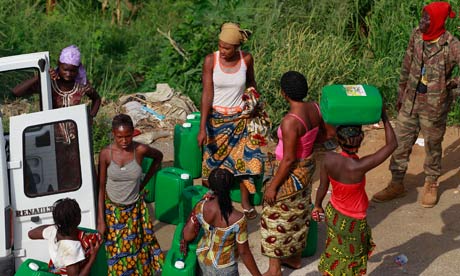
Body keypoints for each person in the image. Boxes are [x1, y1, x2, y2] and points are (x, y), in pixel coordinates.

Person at [372, 2, 460, 207]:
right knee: (399, 142)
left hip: (434, 106)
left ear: (438, 21)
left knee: (433, 145)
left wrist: (452, 86)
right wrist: (401, 90)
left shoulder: (451, 44)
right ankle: (396, 183)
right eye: (423, 17)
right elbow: (407, 61)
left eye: (427, 19)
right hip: (411, 101)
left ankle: (431, 183)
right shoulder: (417, 35)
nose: (423, 21)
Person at [313, 107, 397, 276]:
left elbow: (322, 187)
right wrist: (385, 117)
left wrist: (317, 206)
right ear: (360, 141)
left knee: (335, 250)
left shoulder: (328, 159)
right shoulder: (359, 166)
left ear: (338, 139)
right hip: (353, 222)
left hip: (334, 214)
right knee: (352, 259)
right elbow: (392, 144)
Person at [261, 71, 330, 276]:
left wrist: (273, 186)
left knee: (274, 216)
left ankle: (274, 270)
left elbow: (289, 159)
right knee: (297, 214)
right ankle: (293, 257)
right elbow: (324, 134)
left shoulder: (290, 121)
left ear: (283, 93)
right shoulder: (315, 108)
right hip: (306, 168)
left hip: (289, 171)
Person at [198, 22, 264, 220]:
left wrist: (253, 101)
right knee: (212, 163)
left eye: (227, 47)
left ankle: (245, 202)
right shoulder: (211, 61)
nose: (222, 50)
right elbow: (207, 93)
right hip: (216, 121)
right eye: (220, 46)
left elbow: (251, 82)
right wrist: (202, 128)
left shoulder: (246, 59)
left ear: (237, 48)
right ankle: (214, 200)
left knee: (244, 161)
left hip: (240, 120)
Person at [13, 45, 101, 190]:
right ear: (58, 65)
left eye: (73, 70)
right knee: (56, 181)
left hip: (76, 143)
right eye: (65, 69)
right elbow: (16, 92)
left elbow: (97, 99)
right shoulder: (48, 84)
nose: (68, 73)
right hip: (52, 142)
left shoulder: (81, 86)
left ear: (78, 69)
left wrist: (91, 117)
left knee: (82, 178)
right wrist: (41, 75)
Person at [96, 114, 164, 275]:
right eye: (120, 137)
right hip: (113, 212)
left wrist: (143, 183)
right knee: (116, 254)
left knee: (137, 250)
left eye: (128, 136)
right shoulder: (106, 154)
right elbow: (100, 187)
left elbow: (159, 157)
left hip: (134, 211)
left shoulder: (140, 150)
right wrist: (101, 220)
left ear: (133, 133)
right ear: (113, 134)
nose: (124, 141)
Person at [181, 168, 262, 276]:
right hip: (225, 267)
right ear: (232, 187)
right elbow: (244, 252)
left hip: (203, 259)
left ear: (209, 185)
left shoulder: (201, 206)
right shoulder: (238, 219)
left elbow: (187, 235)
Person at [28, 198, 102, 276]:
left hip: (55, 269)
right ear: (78, 219)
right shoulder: (71, 248)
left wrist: (57, 225)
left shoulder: (53, 231)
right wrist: (93, 257)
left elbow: (31, 234)